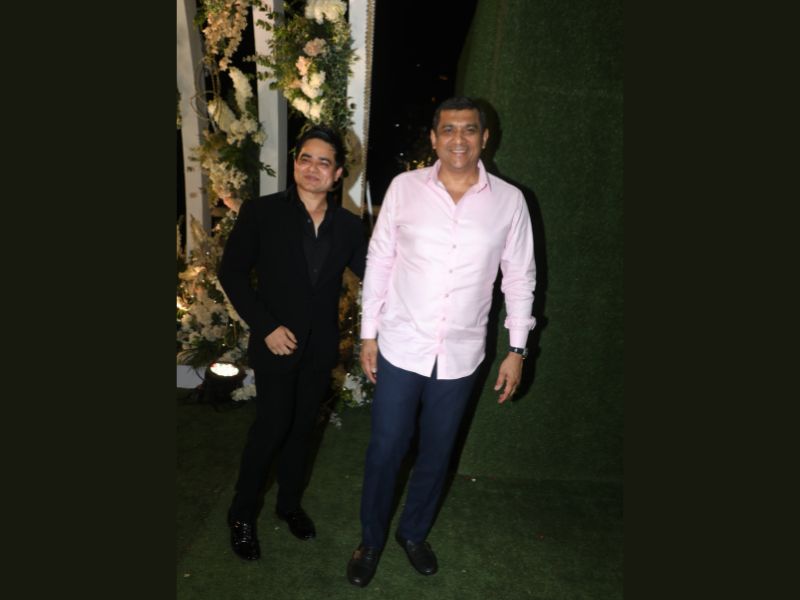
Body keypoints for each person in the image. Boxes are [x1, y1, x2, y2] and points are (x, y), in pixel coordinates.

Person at [346, 97, 536, 587]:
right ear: (433, 139)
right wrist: (368, 334)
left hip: (462, 353)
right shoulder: (404, 189)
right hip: (401, 344)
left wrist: (517, 350)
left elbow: (520, 278)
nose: (459, 139)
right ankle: (370, 540)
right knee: (386, 448)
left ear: (485, 138)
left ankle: (413, 533)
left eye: (469, 129)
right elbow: (380, 261)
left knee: (437, 451)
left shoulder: (510, 202)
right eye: (448, 129)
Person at [218, 125, 367, 561]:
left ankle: (288, 505)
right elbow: (232, 273)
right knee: (271, 428)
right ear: (295, 163)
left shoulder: (348, 226)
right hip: (275, 342)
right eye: (306, 158)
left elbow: (376, 276)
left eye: (324, 162)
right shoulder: (262, 213)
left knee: (303, 430)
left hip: (320, 348)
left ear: (337, 174)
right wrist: (266, 326)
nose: (312, 168)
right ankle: (241, 515)